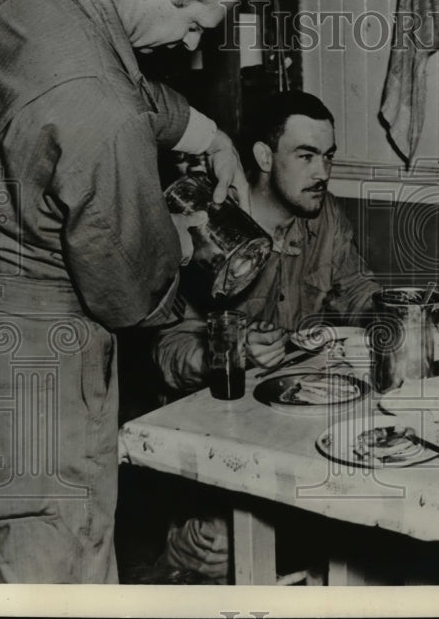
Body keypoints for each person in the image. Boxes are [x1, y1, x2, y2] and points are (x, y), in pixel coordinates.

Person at [0, 0, 258, 583]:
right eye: (195, 24)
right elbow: (130, 294)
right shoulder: (103, 112)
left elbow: (101, 67)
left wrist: (206, 131)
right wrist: (183, 238)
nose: (191, 47)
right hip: (40, 377)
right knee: (56, 564)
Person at [150, 90, 384, 581]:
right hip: (215, 438)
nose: (322, 172)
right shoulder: (207, 225)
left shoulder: (323, 216)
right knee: (219, 548)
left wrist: (404, 311)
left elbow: (358, 291)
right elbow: (167, 353)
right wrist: (228, 349)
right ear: (262, 156)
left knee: (368, 515)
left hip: (294, 429)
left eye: (328, 156)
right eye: (306, 156)